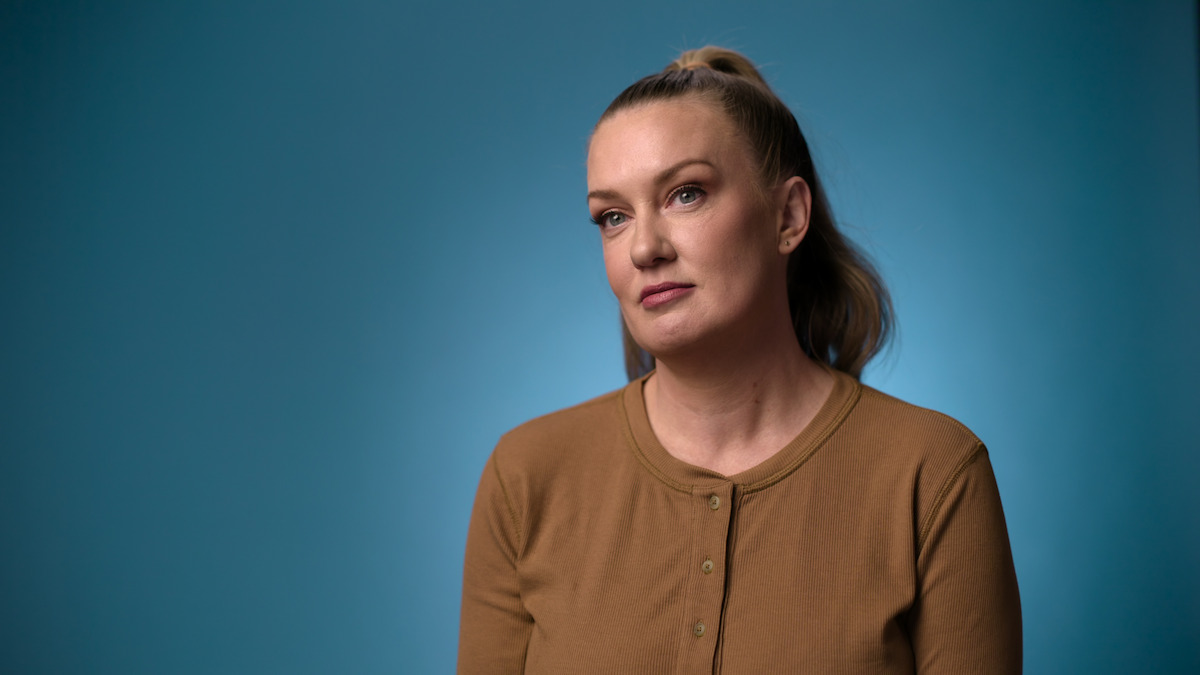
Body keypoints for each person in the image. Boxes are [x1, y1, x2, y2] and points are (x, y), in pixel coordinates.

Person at [458, 46, 1021, 674]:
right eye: (613, 217)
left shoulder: (934, 474)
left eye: (686, 194)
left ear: (788, 216)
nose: (644, 247)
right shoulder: (526, 477)